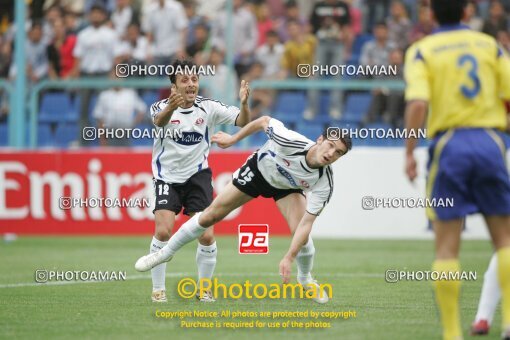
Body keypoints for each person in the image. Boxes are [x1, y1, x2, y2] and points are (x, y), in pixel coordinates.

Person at [135, 115, 352, 304]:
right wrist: (232, 139)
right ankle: (164, 254)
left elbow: (306, 223)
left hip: (287, 188)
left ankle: (305, 279)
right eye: (330, 145)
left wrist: (288, 257)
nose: (331, 153)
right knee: (210, 216)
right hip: (258, 173)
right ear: (320, 139)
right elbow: (263, 121)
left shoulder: (325, 183)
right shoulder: (289, 140)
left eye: (338, 153)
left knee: (301, 236)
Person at [404, 1, 510, 339]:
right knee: (505, 241)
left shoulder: (422, 50)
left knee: (447, 247)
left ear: (430, 14)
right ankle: (509, 321)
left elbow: (418, 103)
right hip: (491, 141)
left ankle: (452, 333)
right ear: (467, 12)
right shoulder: (489, 45)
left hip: (450, 146)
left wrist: (409, 152)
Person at [144, 58, 251, 303]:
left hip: (197, 177)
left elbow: (243, 121)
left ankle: (205, 290)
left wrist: (244, 104)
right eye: (184, 80)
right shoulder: (159, 107)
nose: (191, 84)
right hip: (166, 177)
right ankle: (158, 290)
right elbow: (159, 121)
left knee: (206, 236)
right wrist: (171, 107)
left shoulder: (208, 107)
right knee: (163, 230)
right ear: (174, 86)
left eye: (194, 79)